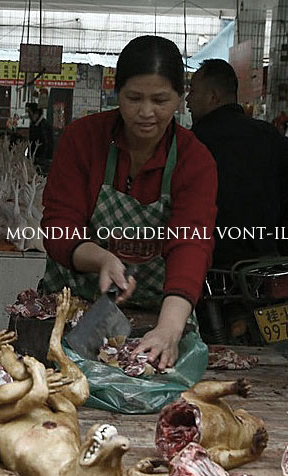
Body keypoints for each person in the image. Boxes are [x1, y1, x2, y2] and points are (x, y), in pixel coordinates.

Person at [40, 35, 218, 370]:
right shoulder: (82, 139)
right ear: (116, 92)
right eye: (134, 98)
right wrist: (102, 259)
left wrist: (169, 329)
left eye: (160, 100)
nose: (146, 113)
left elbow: (191, 244)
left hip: (159, 312)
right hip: (73, 310)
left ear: (180, 98)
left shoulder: (194, 159)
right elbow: (59, 226)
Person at [186, 59, 288, 264]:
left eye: (192, 91)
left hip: (208, 262)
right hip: (264, 257)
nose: (187, 100)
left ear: (213, 97)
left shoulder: (192, 143)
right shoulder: (266, 134)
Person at [25, 101, 53, 170]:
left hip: (43, 161)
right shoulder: (34, 125)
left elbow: (47, 145)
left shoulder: (44, 126)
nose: (29, 116)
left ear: (36, 114)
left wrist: (41, 160)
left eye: (30, 113)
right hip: (35, 159)